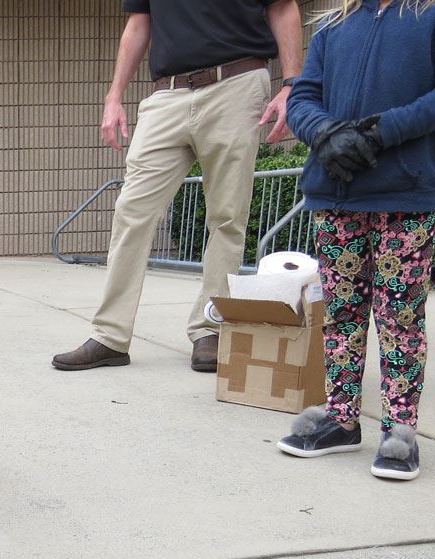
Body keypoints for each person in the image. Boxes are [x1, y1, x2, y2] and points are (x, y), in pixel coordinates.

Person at [53, 0, 303, 373]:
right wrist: (114, 95)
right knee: (131, 210)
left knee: (227, 216)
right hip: (166, 94)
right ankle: (110, 336)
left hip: (236, 83)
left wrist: (291, 84)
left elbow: (283, 8)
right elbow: (140, 23)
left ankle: (209, 328)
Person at [275, 0, 433, 480]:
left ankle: (399, 431)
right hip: (336, 194)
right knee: (341, 314)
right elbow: (302, 96)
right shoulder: (334, 24)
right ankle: (341, 420)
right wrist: (323, 132)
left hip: (406, 195)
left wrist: (379, 133)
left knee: (399, 316)